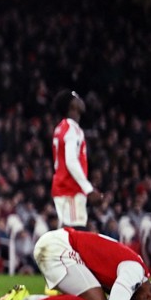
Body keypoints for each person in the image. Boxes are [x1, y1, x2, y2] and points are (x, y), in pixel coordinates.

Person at [0, 227, 151, 300]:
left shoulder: (137, 271)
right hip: (59, 248)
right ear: (148, 297)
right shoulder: (134, 272)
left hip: (59, 244)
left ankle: (43, 297)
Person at [51, 90, 102, 229]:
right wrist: (89, 189)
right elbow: (71, 161)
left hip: (65, 188)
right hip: (70, 189)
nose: (80, 99)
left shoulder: (62, 127)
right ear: (71, 106)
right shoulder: (72, 128)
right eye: (75, 97)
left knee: (69, 238)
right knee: (74, 236)